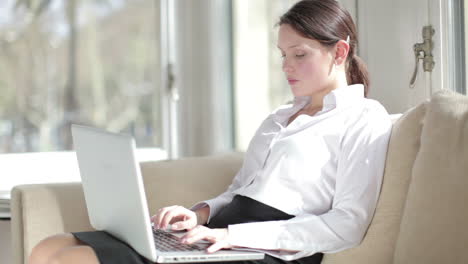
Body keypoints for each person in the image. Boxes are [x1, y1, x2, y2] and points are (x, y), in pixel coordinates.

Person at [28, 0, 393, 264]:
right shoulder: (279, 118)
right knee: (48, 248)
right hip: (219, 236)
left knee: (70, 261)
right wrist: (199, 215)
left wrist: (231, 237)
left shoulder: (363, 117)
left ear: (340, 52)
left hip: (267, 249)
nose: (286, 66)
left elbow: (347, 224)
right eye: (282, 55)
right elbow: (239, 192)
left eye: (299, 54)